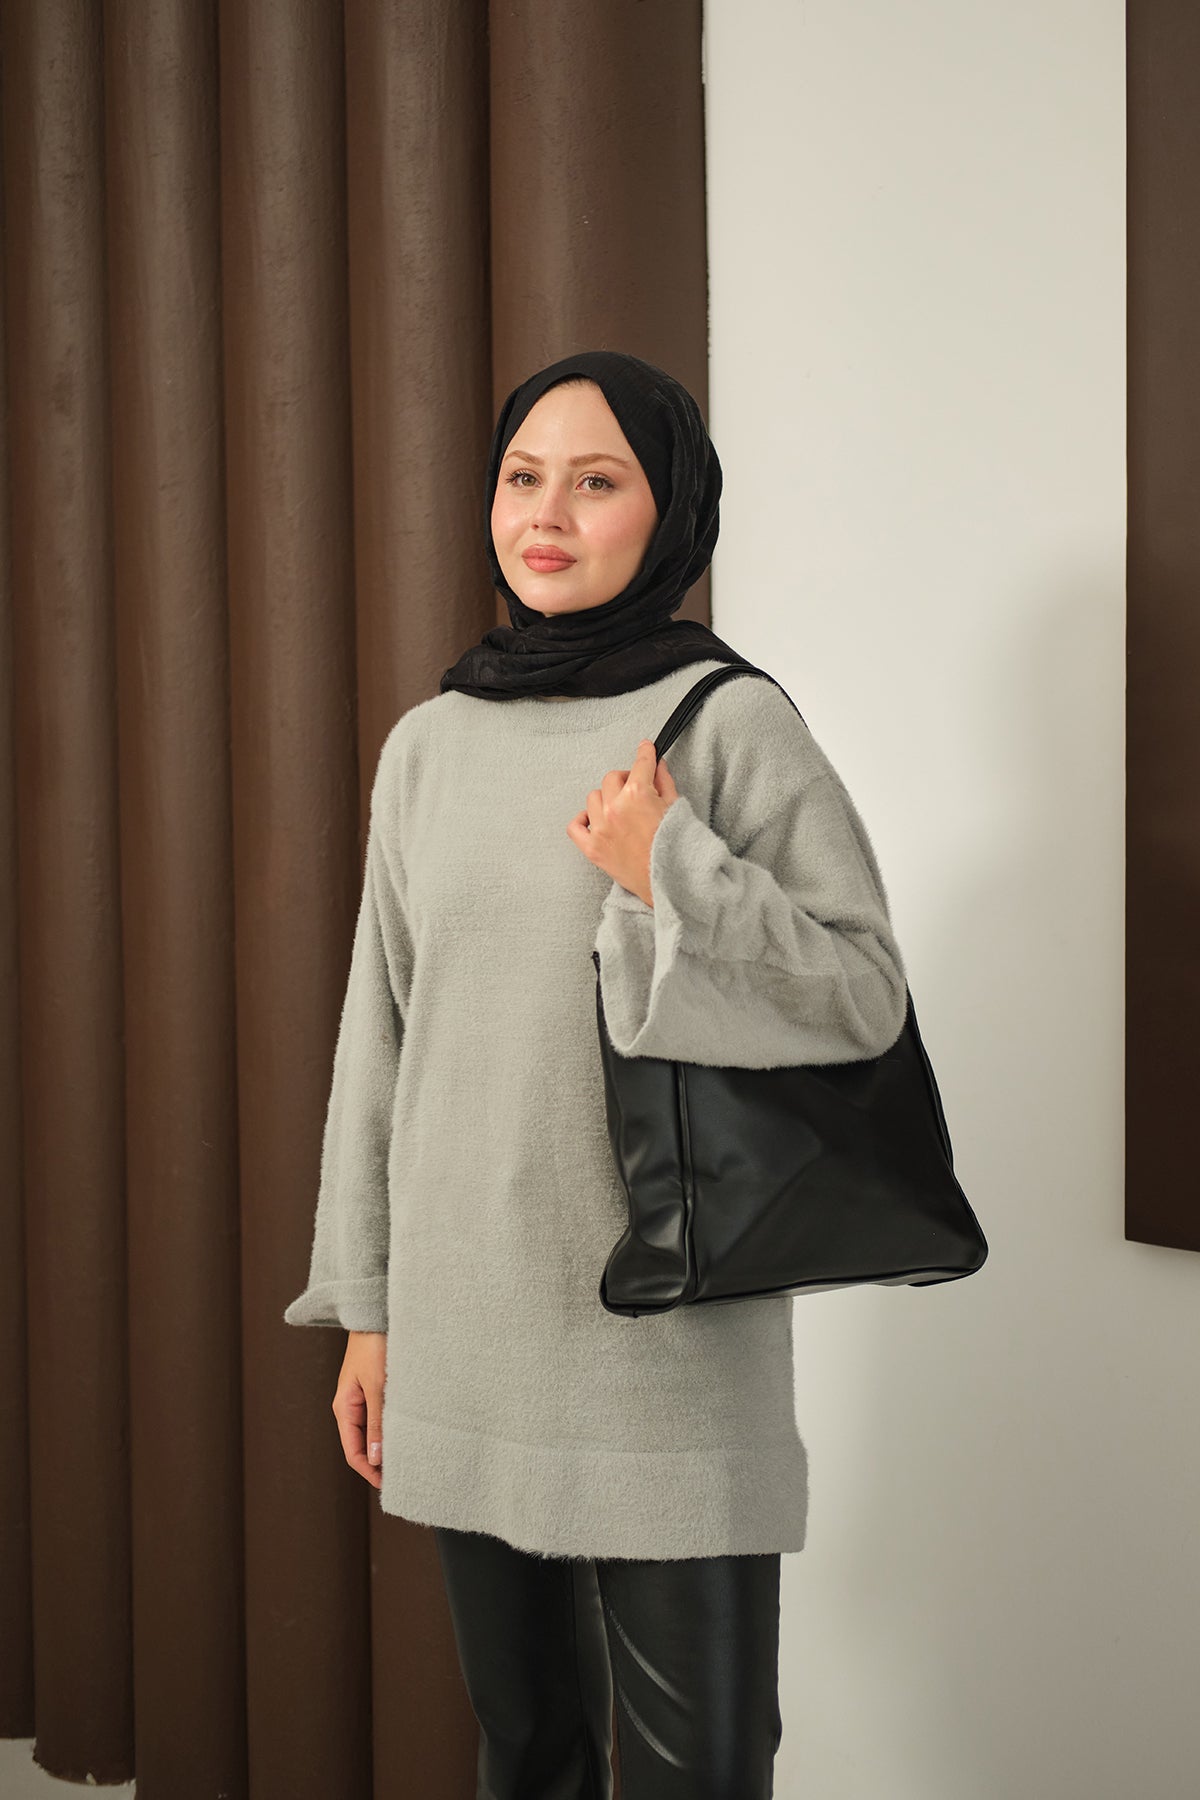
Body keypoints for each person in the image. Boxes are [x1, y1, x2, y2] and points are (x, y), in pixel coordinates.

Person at [283, 349, 909, 1797]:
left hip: (667, 1347)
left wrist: (671, 862)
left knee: (701, 1773)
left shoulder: (730, 723)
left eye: (597, 479)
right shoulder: (430, 746)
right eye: (522, 477)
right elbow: (381, 1036)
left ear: (669, 510)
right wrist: (369, 1309)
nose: (545, 514)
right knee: (528, 1755)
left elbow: (862, 996)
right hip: (467, 1325)